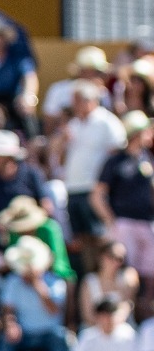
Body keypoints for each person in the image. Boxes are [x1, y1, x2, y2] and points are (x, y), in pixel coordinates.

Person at [51, 80, 127, 243]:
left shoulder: (107, 122)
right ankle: (89, 269)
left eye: (77, 100)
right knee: (81, 237)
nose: (74, 105)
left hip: (94, 188)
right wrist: (62, 138)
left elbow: (117, 152)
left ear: (90, 100)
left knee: (99, 235)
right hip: (73, 187)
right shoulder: (74, 124)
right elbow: (56, 151)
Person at [0, 235, 69, 351]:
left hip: (48, 334)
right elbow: (8, 311)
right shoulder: (13, 282)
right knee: (5, 340)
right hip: (23, 334)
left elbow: (54, 310)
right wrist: (11, 325)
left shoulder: (55, 282)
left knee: (61, 338)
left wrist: (37, 284)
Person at [92, 111, 154, 283]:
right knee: (126, 273)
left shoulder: (147, 159)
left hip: (147, 223)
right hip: (124, 223)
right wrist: (112, 221)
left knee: (150, 275)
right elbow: (97, 195)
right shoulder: (114, 161)